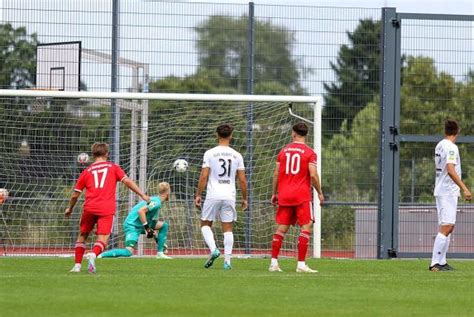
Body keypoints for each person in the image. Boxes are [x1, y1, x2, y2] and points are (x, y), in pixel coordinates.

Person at [65, 142, 150, 273]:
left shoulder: (86, 172)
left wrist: (70, 208)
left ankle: (77, 266)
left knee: (82, 235)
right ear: (107, 154)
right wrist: (142, 194)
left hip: (89, 207)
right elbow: (127, 181)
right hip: (106, 208)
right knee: (103, 238)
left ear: (93, 155)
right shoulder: (113, 167)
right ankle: (93, 254)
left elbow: (75, 194)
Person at [269, 122, 324, 273]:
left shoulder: (284, 150)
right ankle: (301, 264)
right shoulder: (309, 152)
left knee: (281, 229)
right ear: (306, 134)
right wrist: (319, 192)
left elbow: (276, 174)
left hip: (285, 194)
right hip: (301, 195)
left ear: (293, 133)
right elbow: (313, 174)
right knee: (306, 226)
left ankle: (273, 263)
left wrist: (274, 193)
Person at [194, 123, 248, 270]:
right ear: (231, 136)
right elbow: (242, 180)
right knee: (228, 228)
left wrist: (198, 194)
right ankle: (227, 262)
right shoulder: (237, 155)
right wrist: (245, 198)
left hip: (213, 194)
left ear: (217, 135)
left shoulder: (210, 153)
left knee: (205, 224)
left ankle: (214, 250)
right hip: (229, 195)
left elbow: (204, 175)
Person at [430, 120, 471, 272]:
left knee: (448, 226)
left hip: (442, 189)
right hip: (447, 191)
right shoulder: (452, 147)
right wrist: (464, 188)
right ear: (457, 131)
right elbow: (450, 169)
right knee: (446, 226)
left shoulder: (440, 145)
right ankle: (435, 263)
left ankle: (442, 261)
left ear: (445, 131)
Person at [98, 182, 171, 260]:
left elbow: (150, 221)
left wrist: (156, 237)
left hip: (140, 223)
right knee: (128, 252)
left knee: (164, 225)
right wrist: (147, 229)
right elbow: (141, 211)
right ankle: (100, 255)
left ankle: (160, 253)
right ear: (167, 193)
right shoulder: (156, 203)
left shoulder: (156, 200)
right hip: (132, 225)